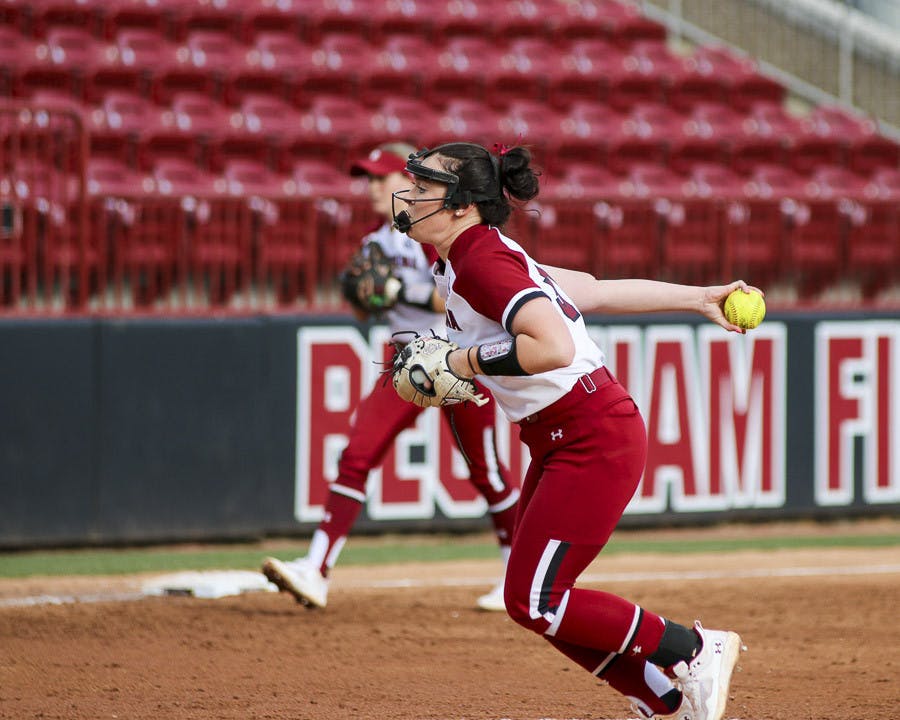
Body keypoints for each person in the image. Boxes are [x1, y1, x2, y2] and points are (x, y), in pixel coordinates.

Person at [389, 141, 751, 720]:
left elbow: (552, 347)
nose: (410, 196)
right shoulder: (476, 254)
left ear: (462, 206)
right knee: (529, 600)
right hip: (565, 435)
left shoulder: (482, 260)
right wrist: (699, 297)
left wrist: (462, 364)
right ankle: (662, 701)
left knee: (537, 600)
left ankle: (693, 648)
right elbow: (596, 289)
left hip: (590, 434)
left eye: (426, 187)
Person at [262, 142, 519, 612]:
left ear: (412, 183)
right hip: (404, 361)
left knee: (487, 471)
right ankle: (315, 568)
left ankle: (516, 574)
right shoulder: (375, 242)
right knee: (358, 453)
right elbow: (365, 311)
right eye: (370, 179)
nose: (374, 188)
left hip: (457, 359)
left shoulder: (435, 235)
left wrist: (399, 289)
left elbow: (460, 298)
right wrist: (363, 294)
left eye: (382, 178)